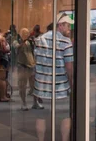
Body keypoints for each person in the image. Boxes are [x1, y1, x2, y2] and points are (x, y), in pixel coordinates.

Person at [34, 13, 75, 141]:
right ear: (60, 25)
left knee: (41, 117)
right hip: (60, 87)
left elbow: (37, 61)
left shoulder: (40, 39)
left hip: (41, 86)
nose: (69, 29)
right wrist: (72, 83)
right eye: (67, 26)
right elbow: (69, 67)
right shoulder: (65, 41)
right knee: (64, 116)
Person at [15, 28, 36, 110]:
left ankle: (35, 102)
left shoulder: (30, 41)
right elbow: (17, 47)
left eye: (27, 33)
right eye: (24, 33)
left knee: (34, 85)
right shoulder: (16, 41)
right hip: (22, 66)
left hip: (31, 65)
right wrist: (23, 41)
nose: (26, 34)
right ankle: (23, 102)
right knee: (22, 85)